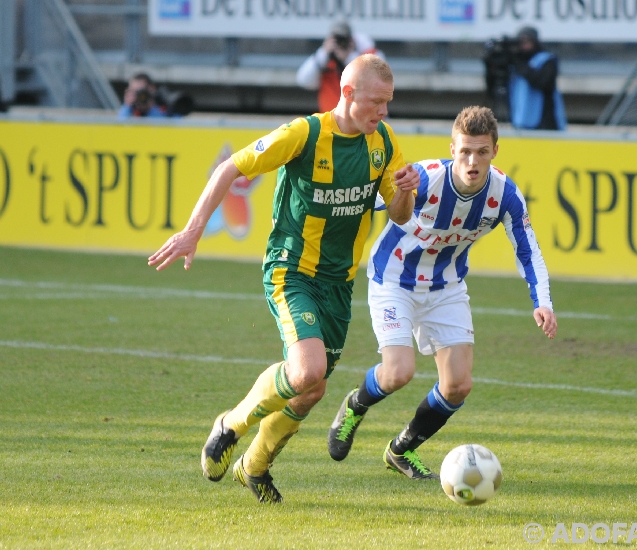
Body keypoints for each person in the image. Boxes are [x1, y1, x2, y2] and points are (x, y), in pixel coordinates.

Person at [148, 54, 419, 503]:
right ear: (347, 94)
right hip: (291, 271)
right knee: (307, 370)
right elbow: (230, 167)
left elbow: (399, 214)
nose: (384, 112)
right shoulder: (306, 133)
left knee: (312, 389)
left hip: (339, 283)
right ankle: (230, 424)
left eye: (388, 102)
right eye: (377, 102)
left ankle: (253, 467)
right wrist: (193, 230)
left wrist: (404, 192)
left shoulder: (383, 143)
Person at [327, 105, 557, 479]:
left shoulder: (504, 195)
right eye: (465, 151)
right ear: (452, 149)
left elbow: (528, 249)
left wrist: (542, 302)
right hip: (394, 281)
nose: (473, 161)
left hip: (446, 287)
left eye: (481, 152)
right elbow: (360, 201)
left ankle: (401, 450)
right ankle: (355, 404)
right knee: (398, 373)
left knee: (458, 386)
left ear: (494, 151)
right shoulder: (424, 178)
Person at [296, 20, 383, 113]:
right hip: (331, 121)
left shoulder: (362, 57)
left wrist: (349, 58)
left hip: (359, 121)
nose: (340, 44)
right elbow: (304, 81)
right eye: (337, 40)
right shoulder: (324, 60)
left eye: (343, 40)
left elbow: (379, 79)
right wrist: (323, 53)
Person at [507, 27, 567, 131]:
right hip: (520, 120)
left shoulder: (547, 60)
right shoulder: (514, 64)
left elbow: (543, 82)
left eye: (526, 42)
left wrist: (519, 63)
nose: (523, 46)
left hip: (544, 120)